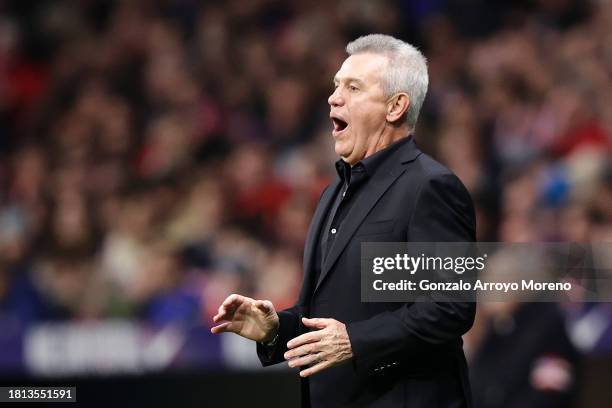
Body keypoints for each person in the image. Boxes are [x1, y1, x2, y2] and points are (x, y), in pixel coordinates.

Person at [211, 34, 476, 407]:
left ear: (396, 106)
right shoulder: (334, 191)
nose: (334, 98)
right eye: (337, 86)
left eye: (353, 87)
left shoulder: (430, 187)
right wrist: (275, 329)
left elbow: (449, 306)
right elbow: (325, 315)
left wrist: (355, 340)